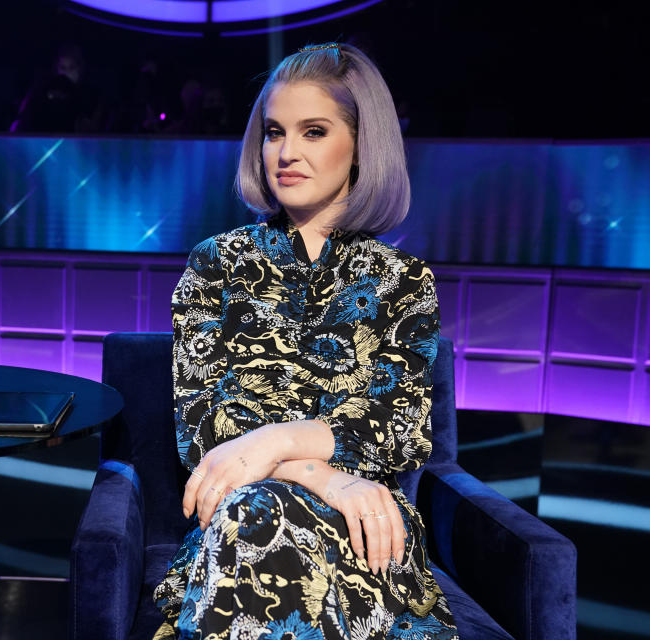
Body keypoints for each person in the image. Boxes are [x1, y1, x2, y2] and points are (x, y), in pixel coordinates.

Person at [152, 43, 459, 639]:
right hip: (242, 520)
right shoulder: (215, 266)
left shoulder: (404, 282)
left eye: (312, 131)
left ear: (361, 144)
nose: (285, 153)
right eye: (273, 132)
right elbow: (206, 436)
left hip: (363, 528)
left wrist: (275, 440)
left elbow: (395, 429)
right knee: (253, 514)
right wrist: (324, 475)